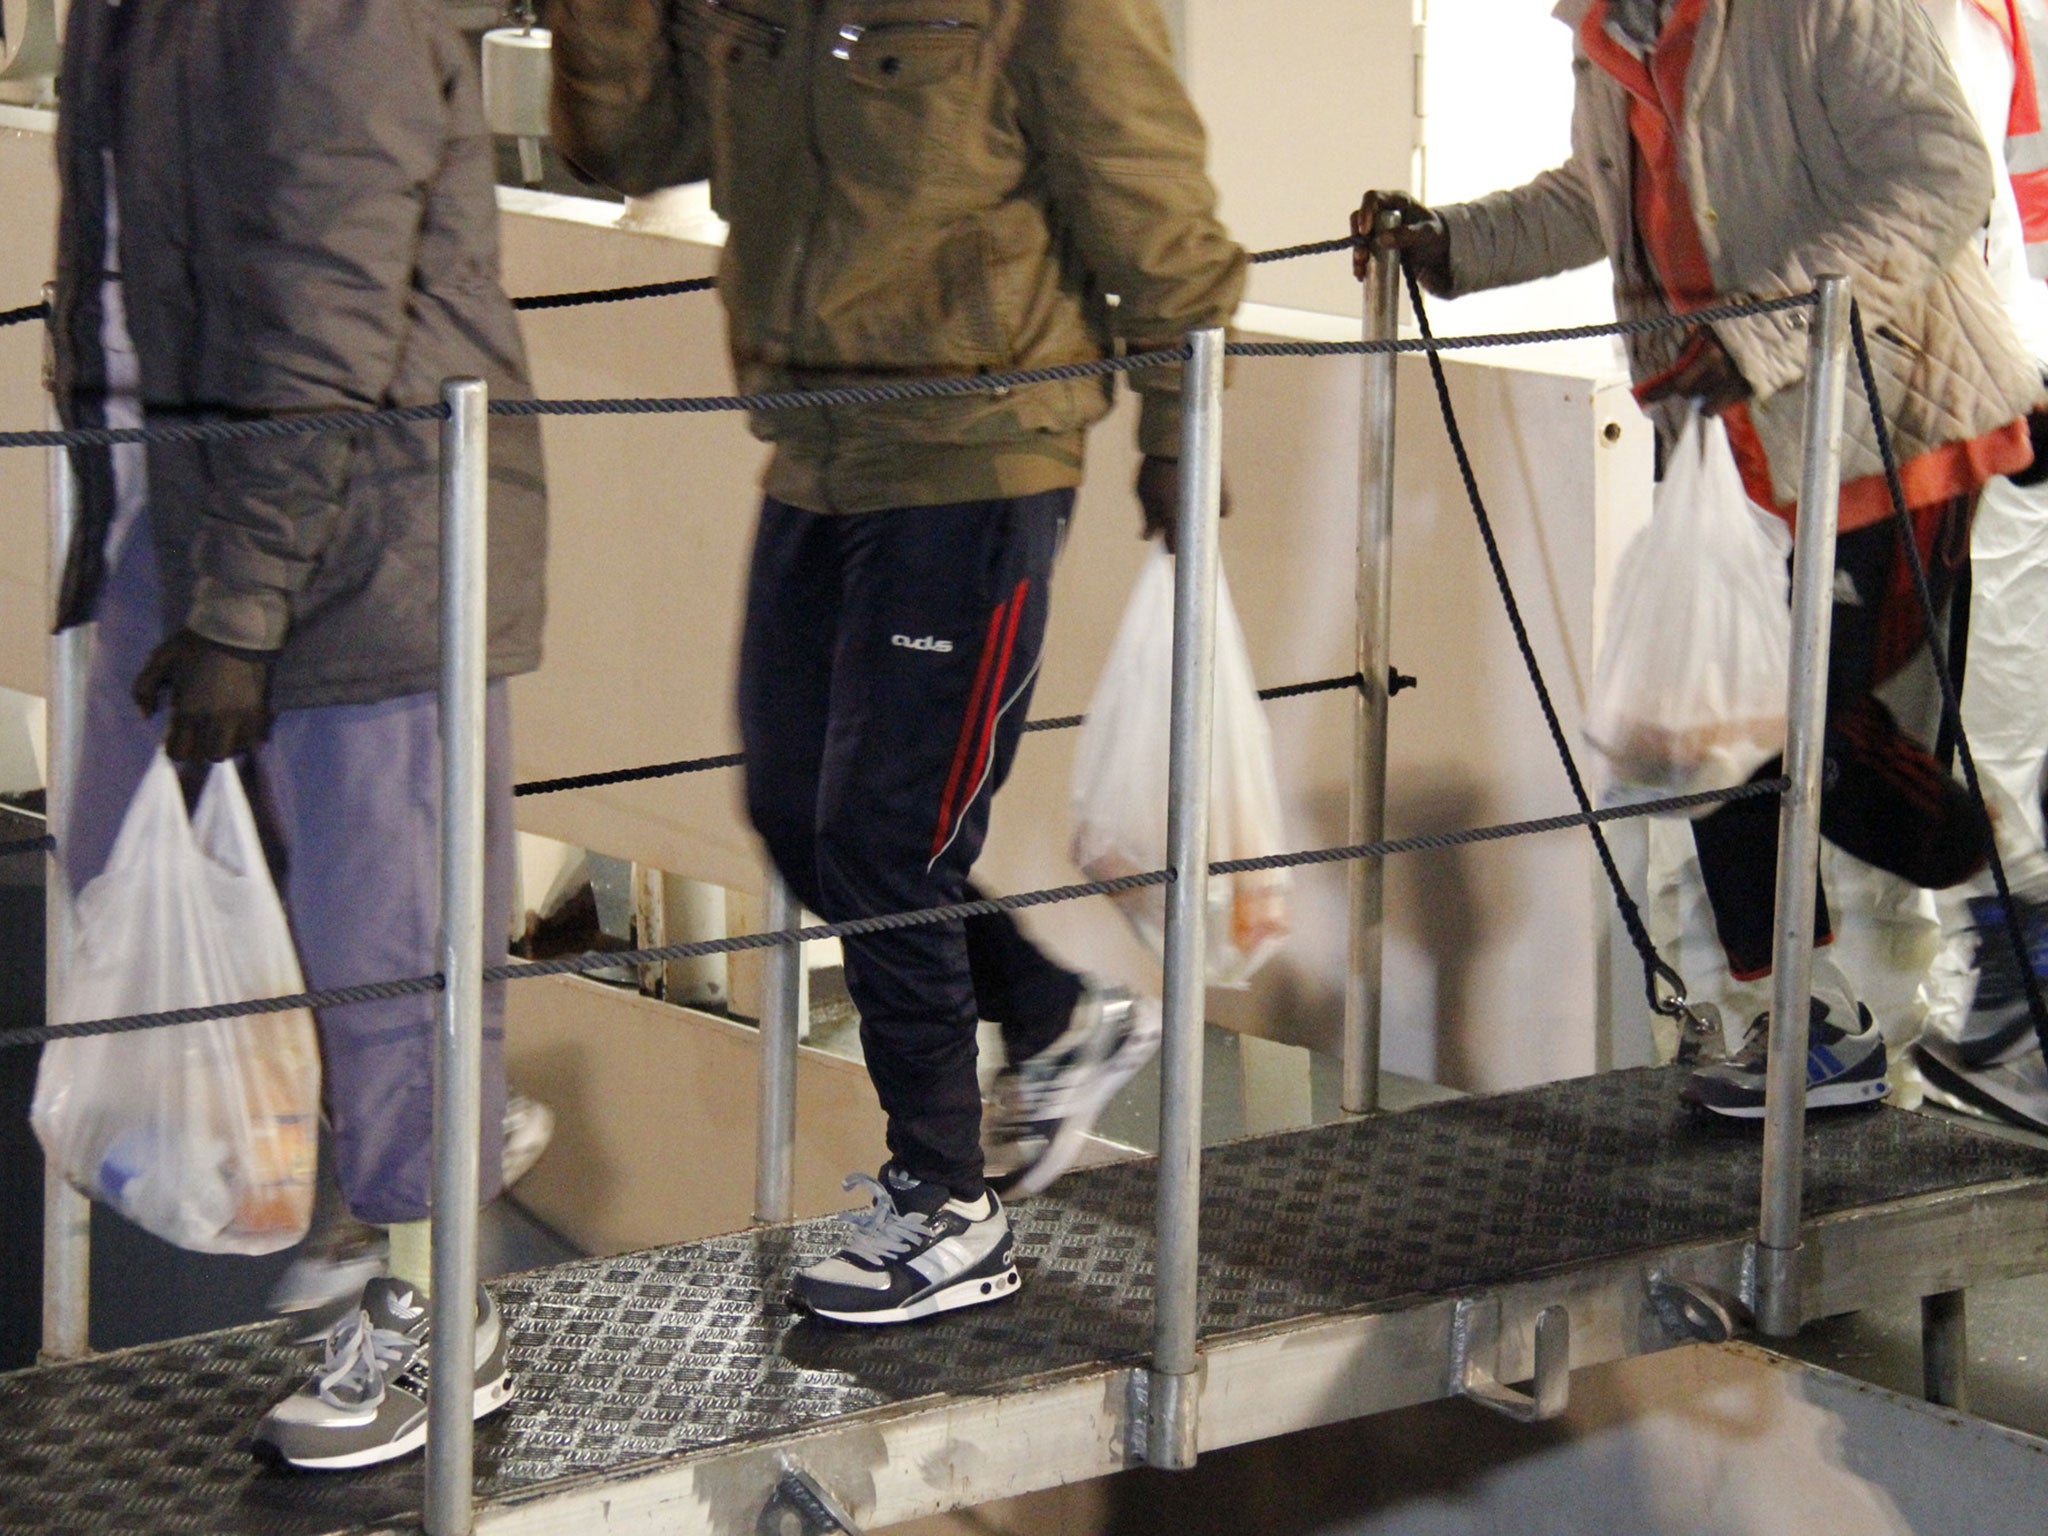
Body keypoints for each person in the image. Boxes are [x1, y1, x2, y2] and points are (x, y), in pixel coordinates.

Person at [551, 0, 1245, 1322]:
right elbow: (628, 146)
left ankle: (946, 1203)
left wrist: (1178, 427)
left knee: (885, 832)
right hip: (817, 446)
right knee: (793, 814)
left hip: (977, 443)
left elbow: (1162, 221)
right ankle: (1050, 1010)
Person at [1356, 0, 2044, 1118]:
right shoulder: (1606, 30)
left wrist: (1760, 333)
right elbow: (1598, 192)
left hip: (1888, 424)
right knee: (1708, 736)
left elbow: (1937, 177)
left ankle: (2006, 911)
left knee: (1817, 746)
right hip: (1730, 439)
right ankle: (1805, 1021)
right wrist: (1450, 243)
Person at [49, 0, 548, 1467]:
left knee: (381, 944)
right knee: (122, 877)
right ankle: (354, 1225)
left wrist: (248, 603)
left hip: (358, 539)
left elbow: (329, 297)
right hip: (182, 512)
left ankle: (440, 1316)